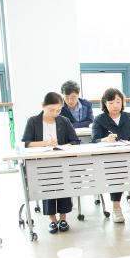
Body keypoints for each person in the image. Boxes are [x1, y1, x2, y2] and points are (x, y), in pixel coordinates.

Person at [21, 92, 80, 234]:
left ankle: (63, 218)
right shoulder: (33, 121)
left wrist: (63, 146)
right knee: (48, 190)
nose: (55, 113)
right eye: (51, 110)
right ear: (43, 106)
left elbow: (75, 141)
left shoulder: (64, 121)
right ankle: (52, 220)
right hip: (42, 163)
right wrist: (45, 144)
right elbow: (26, 143)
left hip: (61, 162)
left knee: (64, 189)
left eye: (58, 110)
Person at [91, 88, 130, 223]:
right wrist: (105, 139)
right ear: (105, 104)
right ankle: (116, 208)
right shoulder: (99, 119)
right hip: (112, 158)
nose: (115, 105)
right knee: (116, 172)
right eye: (111, 103)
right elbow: (94, 140)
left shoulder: (129, 117)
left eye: (118, 102)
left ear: (122, 102)